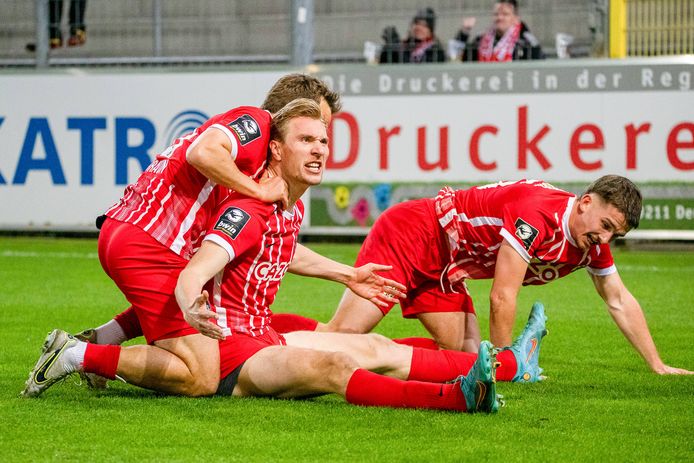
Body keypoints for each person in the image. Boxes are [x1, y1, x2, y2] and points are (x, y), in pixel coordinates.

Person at [22, 99, 549, 412]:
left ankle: (503, 365)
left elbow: (283, 252)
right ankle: (461, 398)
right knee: (335, 364)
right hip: (237, 352)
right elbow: (205, 260)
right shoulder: (253, 204)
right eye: (307, 139)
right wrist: (187, 293)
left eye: (324, 140)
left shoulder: (288, 208)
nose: (320, 149)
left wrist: (348, 274)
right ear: (276, 148)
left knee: (374, 344)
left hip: (257, 332)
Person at [273, 176, 694, 377]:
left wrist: (657, 364)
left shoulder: (591, 242)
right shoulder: (539, 214)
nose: (603, 239)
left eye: (613, 235)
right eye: (603, 225)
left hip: (447, 268)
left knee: (467, 361)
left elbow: (619, 299)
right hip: (414, 234)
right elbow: (501, 297)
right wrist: (508, 362)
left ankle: (376, 351)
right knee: (343, 334)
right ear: (585, 202)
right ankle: (266, 340)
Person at [453, 0, 544, 62]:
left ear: (516, 18)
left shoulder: (526, 43)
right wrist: (463, 33)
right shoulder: (480, 40)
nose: (500, 18)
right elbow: (457, 58)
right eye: (496, 14)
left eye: (505, 14)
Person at [379, 7, 446, 64]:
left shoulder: (436, 51)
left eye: (424, 25)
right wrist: (389, 47)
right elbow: (383, 64)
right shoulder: (404, 45)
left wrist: (396, 45)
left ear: (430, 31)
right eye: (416, 23)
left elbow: (415, 71)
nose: (418, 28)